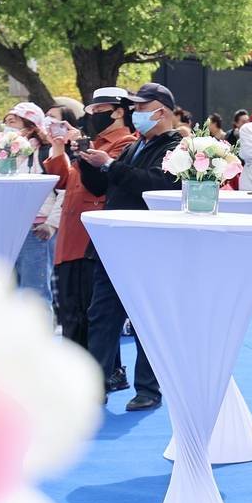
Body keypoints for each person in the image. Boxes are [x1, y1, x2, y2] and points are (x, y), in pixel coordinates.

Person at [75, 81, 183, 410]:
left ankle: (148, 388)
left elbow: (157, 185)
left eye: (141, 107)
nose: (135, 113)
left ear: (161, 111)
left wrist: (110, 165)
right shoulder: (135, 145)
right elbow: (102, 187)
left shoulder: (177, 147)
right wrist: (88, 162)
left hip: (147, 243)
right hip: (114, 240)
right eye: (134, 107)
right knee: (102, 314)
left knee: (146, 318)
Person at [44, 89, 136, 360]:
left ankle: (106, 371)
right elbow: (63, 180)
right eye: (92, 111)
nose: (93, 116)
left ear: (118, 112)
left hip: (90, 238)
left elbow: (98, 184)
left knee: (91, 314)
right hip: (71, 235)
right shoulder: (94, 144)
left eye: (98, 110)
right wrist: (58, 146)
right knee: (71, 310)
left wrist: (82, 147)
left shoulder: (125, 143)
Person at [0, 101, 60, 308]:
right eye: (6, 122)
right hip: (10, 228)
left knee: (35, 294)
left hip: (36, 229)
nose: (7, 127)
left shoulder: (47, 153)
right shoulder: (6, 154)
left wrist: (51, 224)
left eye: (13, 122)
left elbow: (64, 191)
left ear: (30, 125)